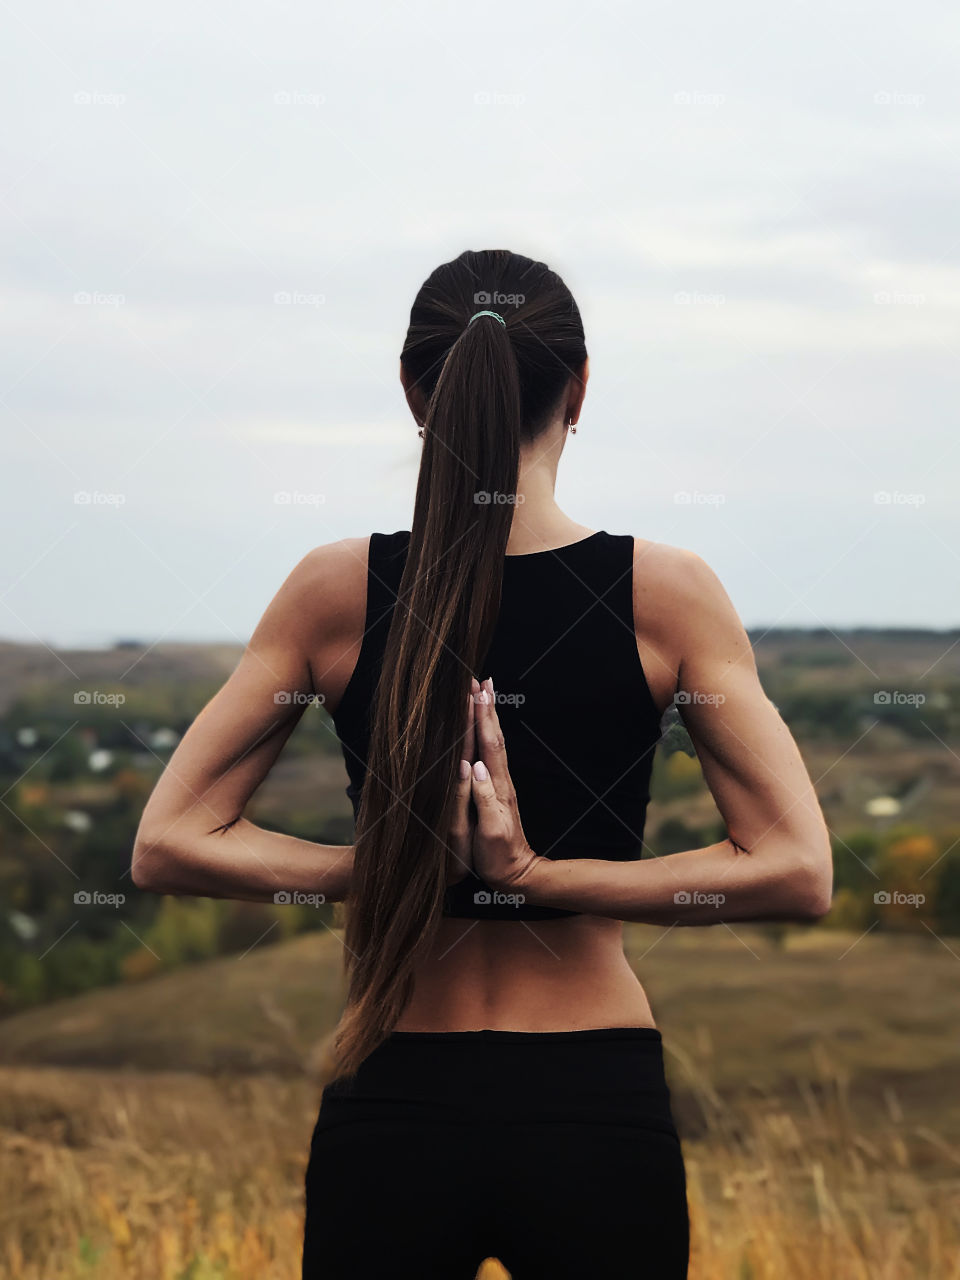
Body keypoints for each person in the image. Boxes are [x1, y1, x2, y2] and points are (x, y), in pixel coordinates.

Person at [131, 249, 834, 1280]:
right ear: (580, 389)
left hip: (395, 1095)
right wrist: (537, 876)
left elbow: (165, 841)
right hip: (595, 1100)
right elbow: (797, 869)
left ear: (416, 389)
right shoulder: (665, 591)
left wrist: (382, 865)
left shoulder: (335, 586)